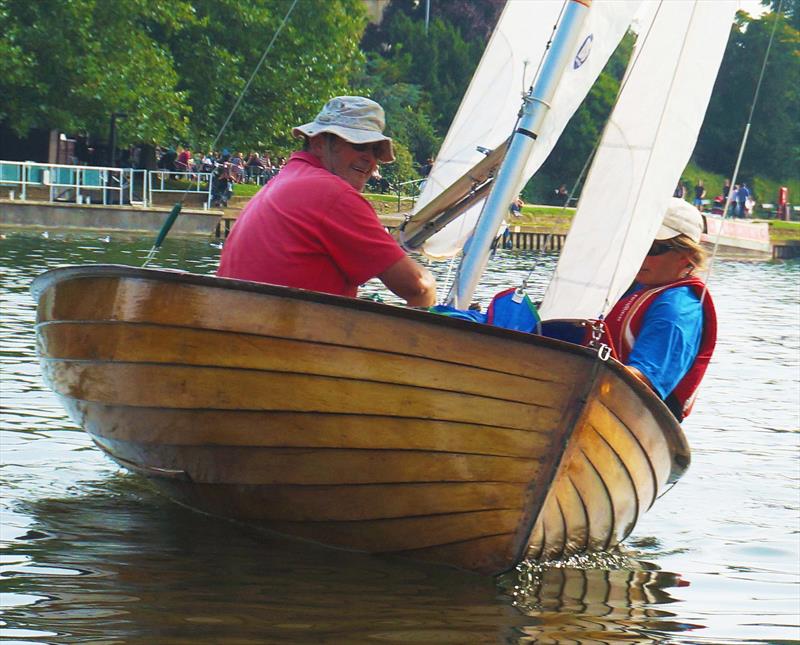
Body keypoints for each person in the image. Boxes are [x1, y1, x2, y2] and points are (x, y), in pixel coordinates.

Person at [217, 96, 436, 307]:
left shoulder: (282, 181)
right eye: (359, 145)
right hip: (279, 337)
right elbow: (418, 287)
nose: (369, 158)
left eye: (375, 150)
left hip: (242, 329)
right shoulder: (332, 193)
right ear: (319, 143)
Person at [602, 198, 717, 421]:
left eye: (653, 248)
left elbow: (645, 378)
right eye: (638, 244)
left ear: (687, 256)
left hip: (629, 419)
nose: (640, 255)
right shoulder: (639, 286)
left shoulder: (677, 310)